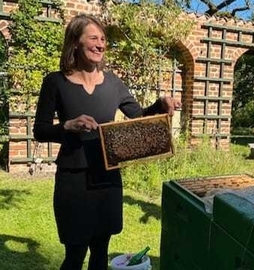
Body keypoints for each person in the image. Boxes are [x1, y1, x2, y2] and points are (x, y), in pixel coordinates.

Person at [33, 14, 181, 270]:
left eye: (103, 39)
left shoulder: (113, 83)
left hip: (108, 178)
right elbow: (40, 130)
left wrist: (161, 104)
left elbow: (138, 116)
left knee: (101, 251)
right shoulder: (55, 82)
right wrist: (68, 125)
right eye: (93, 38)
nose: (101, 44)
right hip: (73, 179)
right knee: (75, 253)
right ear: (75, 43)